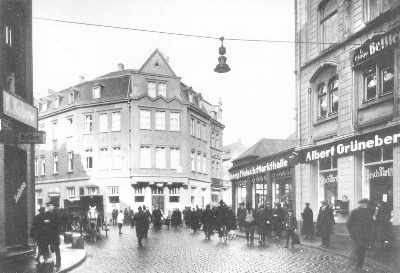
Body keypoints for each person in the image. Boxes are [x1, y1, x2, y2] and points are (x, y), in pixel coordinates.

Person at [347, 199, 374, 269]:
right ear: (361, 204)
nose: (366, 205)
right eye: (364, 204)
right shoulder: (355, 212)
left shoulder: (368, 212)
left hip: (362, 235)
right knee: (359, 249)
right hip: (359, 235)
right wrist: (352, 233)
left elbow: (371, 224)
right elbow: (349, 224)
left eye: (366, 204)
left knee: (361, 249)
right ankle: (358, 264)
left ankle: (359, 265)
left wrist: (352, 233)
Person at [44, 202, 61, 269]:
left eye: (51, 206)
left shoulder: (56, 214)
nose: (49, 207)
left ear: (53, 207)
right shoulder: (46, 214)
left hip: (55, 235)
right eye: (48, 206)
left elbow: (57, 223)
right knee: (48, 248)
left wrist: (49, 222)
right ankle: (48, 261)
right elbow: (43, 222)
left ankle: (58, 263)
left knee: (56, 249)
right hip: (48, 234)